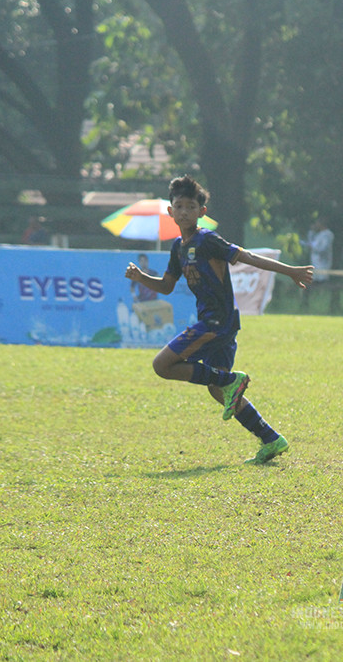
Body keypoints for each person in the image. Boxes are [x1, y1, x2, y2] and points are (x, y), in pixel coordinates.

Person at [125, 175, 314, 465]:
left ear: (202, 212)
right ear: (170, 212)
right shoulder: (178, 248)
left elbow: (247, 256)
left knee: (162, 365)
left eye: (191, 206)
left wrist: (289, 270)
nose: (185, 211)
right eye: (179, 206)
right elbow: (166, 286)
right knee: (218, 390)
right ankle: (271, 439)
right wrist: (141, 278)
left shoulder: (208, 240)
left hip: (218, 322)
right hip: (219, 324)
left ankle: (231, 380)